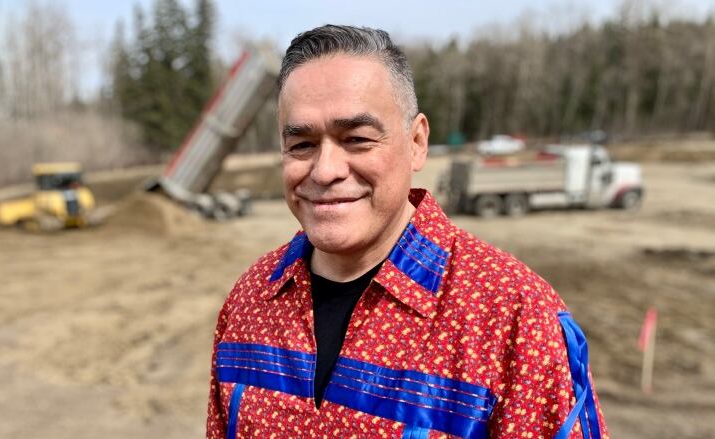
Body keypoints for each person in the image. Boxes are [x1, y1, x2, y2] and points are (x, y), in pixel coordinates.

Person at [207, 24, 608, 439]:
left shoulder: (512, 317)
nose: (325, 170)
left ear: (416, 142)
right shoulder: (250, 301)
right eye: (302, 144)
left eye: (357, 139)